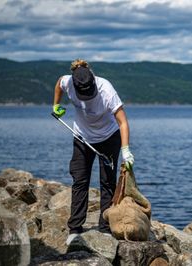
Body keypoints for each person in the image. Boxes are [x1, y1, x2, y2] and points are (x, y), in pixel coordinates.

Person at [52, 59, 134, 245]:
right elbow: (58, 83)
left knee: (107, 182)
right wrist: (55, 105)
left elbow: (123, 122)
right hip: (82, 137)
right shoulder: (68, 82)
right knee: (80, 180)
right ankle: (75, 229)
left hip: (108, 137)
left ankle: (104, 229)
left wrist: (126, 150)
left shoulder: (106, 90)